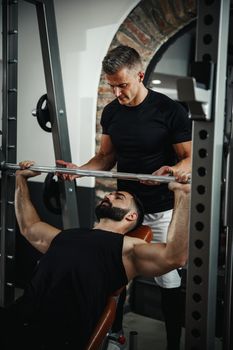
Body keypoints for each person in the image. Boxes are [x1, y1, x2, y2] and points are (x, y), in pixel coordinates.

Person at [56, 45, 192, 349]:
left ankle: (174, 343)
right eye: (112, 86)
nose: (117, 92)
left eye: (123, 85)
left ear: (139, 75)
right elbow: (105, 158)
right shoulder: (113, 111)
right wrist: (80, 171)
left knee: (168, 279)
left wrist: (171, 171)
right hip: (126, 207)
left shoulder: (170, 110)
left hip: (161, 209)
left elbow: (190, 158)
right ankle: (114, 333)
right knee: (116, 271)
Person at [0, 161, 190, 350]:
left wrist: (181, 194)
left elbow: (175, 257)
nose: (109, 195)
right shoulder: (68, 235)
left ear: (130, 216)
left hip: (54, 335)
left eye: (118, 196)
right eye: (111, 193)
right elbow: (29, 227)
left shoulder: (128, 248)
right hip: (17, 316)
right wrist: (21, 179)